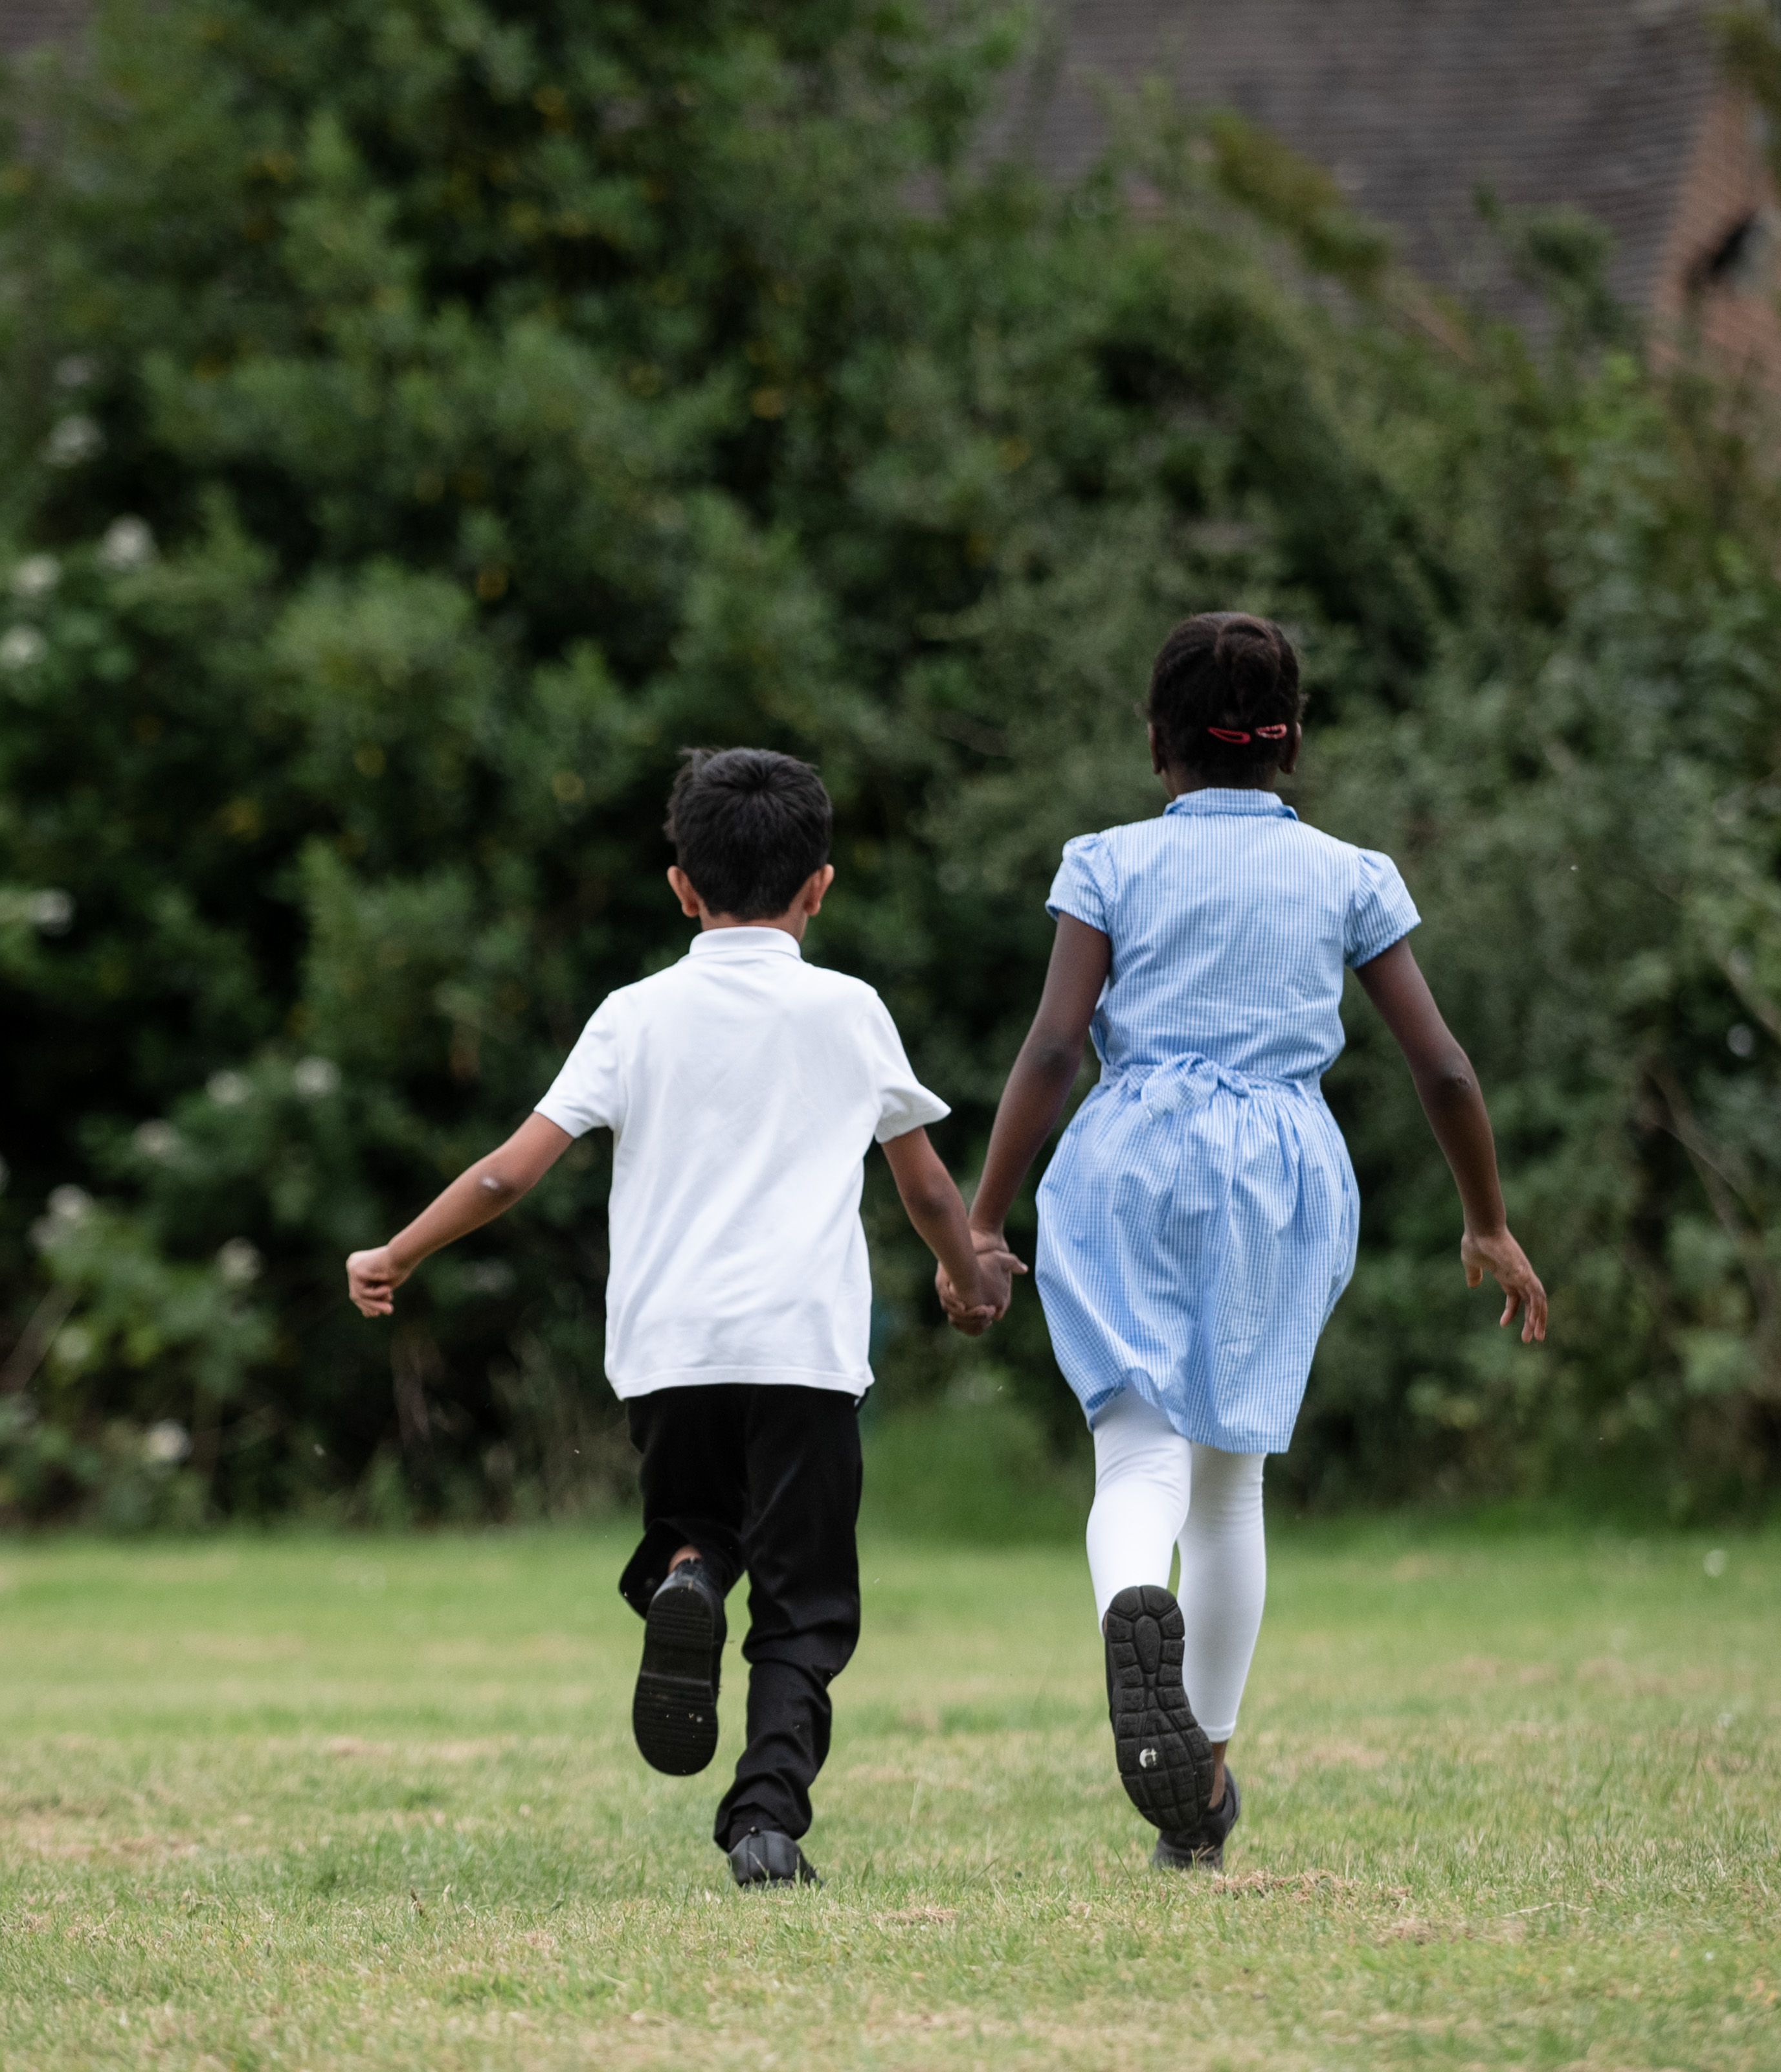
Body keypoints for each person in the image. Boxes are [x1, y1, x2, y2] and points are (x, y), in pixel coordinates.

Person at [941, 612, 1547, 1870]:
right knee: (1231, 1478)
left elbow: (1055, 1047)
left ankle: (1130, 1611)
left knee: (1136, 1456)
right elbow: (1440, 1067)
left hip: (1128, 1159)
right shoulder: (1351, 875)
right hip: (1280, 1172)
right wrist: (1486, 1218)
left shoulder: (1107, 861)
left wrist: (984, 1219)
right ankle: (1201, 1774)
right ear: (1294, 743)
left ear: (1156, 741)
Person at [347, 747, 991, 1889]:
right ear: (821, 886)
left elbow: (510, 1173)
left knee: (700, 1519)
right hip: (803, 1351)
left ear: (681, 887)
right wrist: (967, 1275)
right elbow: (928, 1187)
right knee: (803, 1603)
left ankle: (689, 1570)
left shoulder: (633, 1014)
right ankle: (766, 1821)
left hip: (668, 1352)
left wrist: (398, 1251)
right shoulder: (848, 1009)